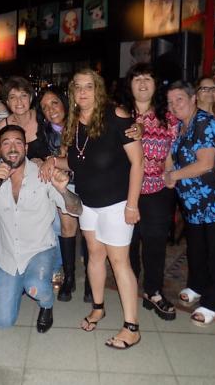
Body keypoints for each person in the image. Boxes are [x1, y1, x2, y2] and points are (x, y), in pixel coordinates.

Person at [40, 69, 144, 349]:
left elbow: (138, 162)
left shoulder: (116, 116)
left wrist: (132, 204)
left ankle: (132, 327)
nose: (83, 92)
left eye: (89, 86)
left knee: (120, 262)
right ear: (72, 92)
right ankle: (98, 307)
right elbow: (77, 162)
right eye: (78, 87)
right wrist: (52, 160)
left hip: (117, 203)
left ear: (98, 90)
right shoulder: (74, 123)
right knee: (95, 257)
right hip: (88, 204)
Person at [0, 124, 83, 333]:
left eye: (18, 142)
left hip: (40, 250)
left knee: (35, 286)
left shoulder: (42, 172)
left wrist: (63, 191)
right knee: (3, 322)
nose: (12, 148)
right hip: (8, 256)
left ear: (26, 148)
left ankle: (46, 304)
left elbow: (77, 209)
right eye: (6, 143)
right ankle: (18, 283)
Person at [164, 80, 215, 326]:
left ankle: (213, 302)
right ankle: (197, 286)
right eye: (170, 101)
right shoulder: (183, 126)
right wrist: (167, 172)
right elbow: (172, 156)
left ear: (193, 99)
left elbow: (206, 164)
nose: (174, 105)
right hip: (195, 203)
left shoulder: (205, 123)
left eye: (179, 99)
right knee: (197, 248)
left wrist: (173, 176)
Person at [120, 63, 178, 321]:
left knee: (155, 244)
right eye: (137, 79)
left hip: (157, 190)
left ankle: (153, 291)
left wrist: (170, 173)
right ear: (129, 85)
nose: (142, 83)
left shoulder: (168, 117)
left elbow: (170, 150)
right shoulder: (121, 115)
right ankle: (130, 288)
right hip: (124, 191)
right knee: (128, 244)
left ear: (155, 85)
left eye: (147, 79)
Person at [37, 87, 91, 303]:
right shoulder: (44, 132)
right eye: (45, 107)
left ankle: (90, 279)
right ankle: (69, 277)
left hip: (89, 182)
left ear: (64, 103)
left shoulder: (81, 123)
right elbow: (42, 156)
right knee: (67, 228)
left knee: (88, 231)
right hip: (64, 185)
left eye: (54, 103)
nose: (51, 110)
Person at [0, 76, 49, 162]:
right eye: (13, 97)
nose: (19, 101)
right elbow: (2, 156)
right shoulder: (3, 126)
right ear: (7, 102)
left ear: (30, 98)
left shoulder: (44, 118)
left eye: (23, 95)